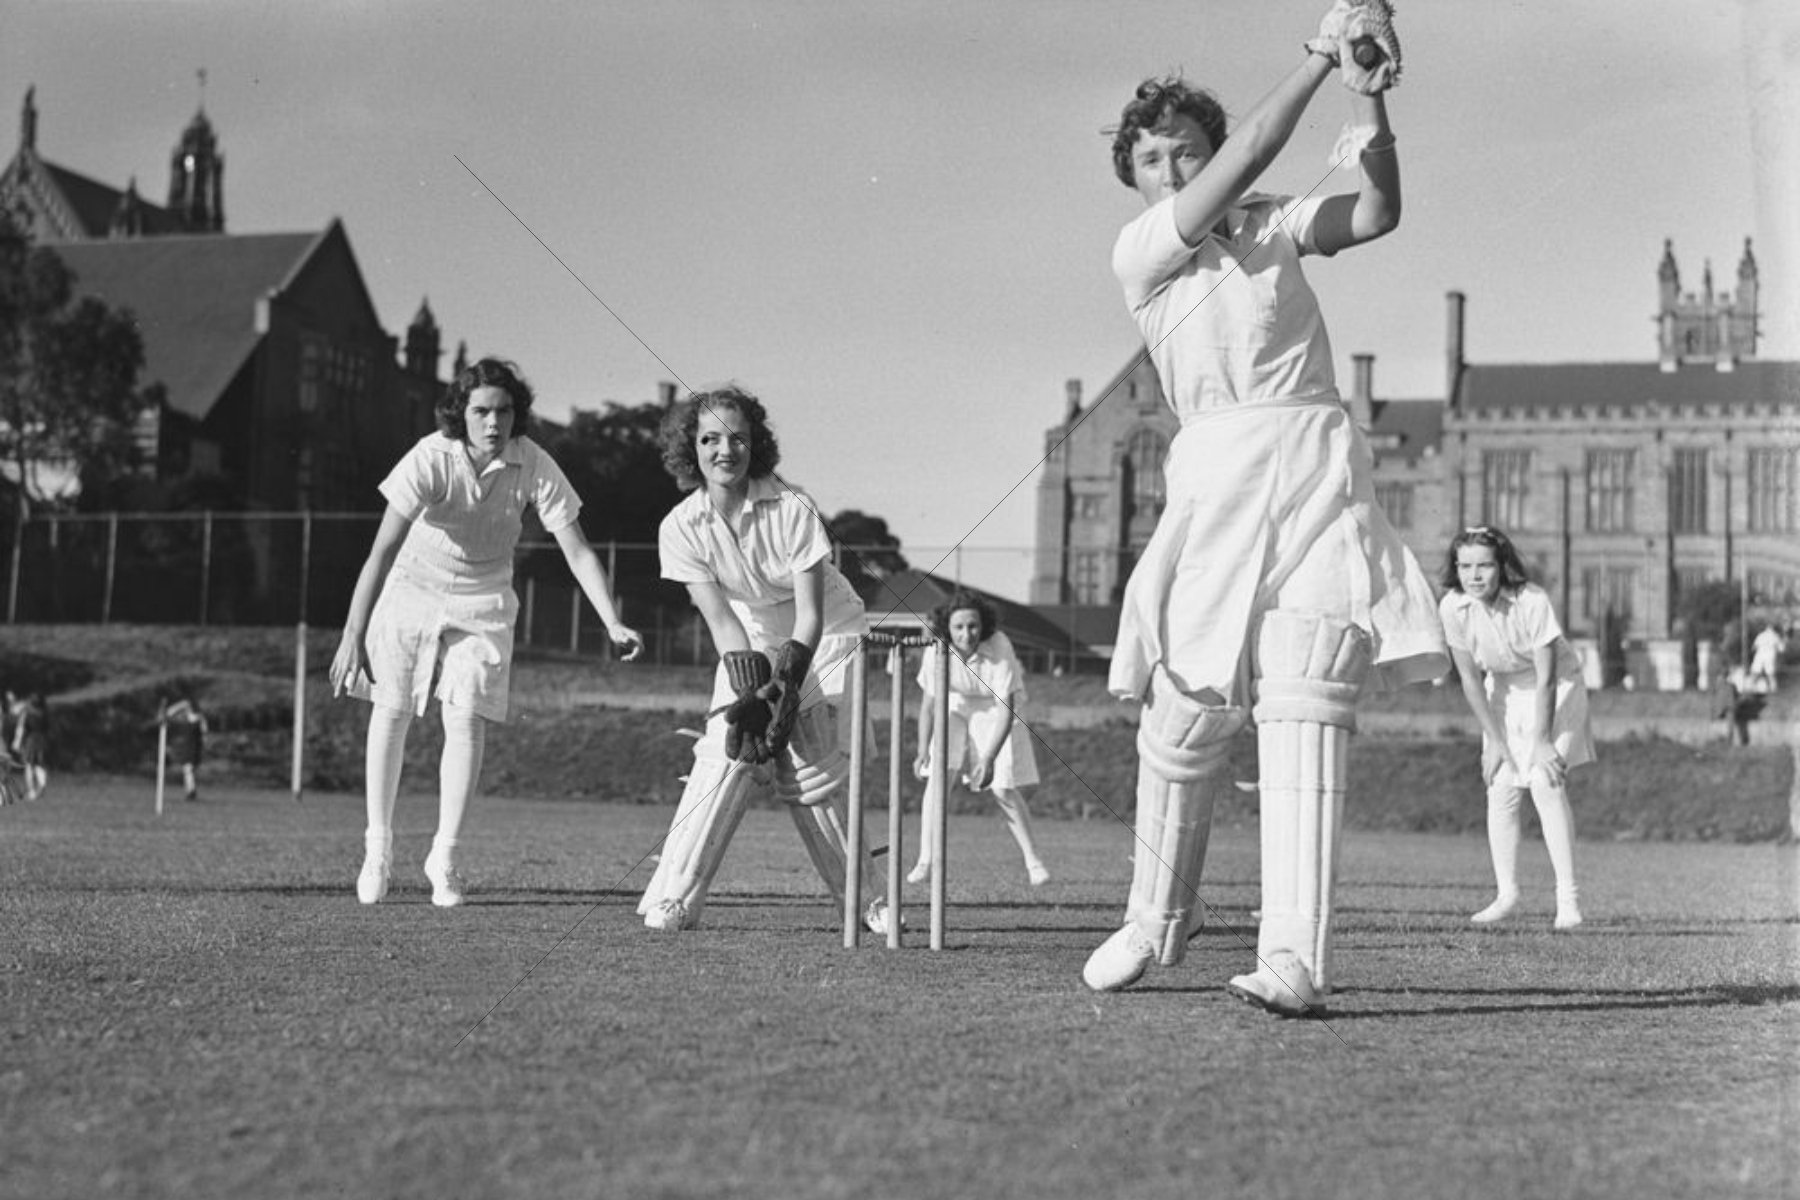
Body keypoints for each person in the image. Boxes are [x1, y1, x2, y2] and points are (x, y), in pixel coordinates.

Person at [1081, 7, 1448, 1018]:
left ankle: (1294, 959)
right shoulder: (1142, 252)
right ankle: (1158, 918)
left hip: (1316, 457)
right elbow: (1253, 145)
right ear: (1138, 177)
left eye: (1182, 150)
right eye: (1153, 158)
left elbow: (1375, 215)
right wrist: (1320, 55)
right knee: (1188, 709)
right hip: (1216, 473)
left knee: (1308, 684)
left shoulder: (1276, 225)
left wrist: (1368, 96)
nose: (1169, 168)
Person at [329, 357, 643, 907]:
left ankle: (443, 858)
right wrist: (353, 633)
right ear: (461, 413)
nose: (493, 423)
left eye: (504, 411)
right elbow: (380, 552)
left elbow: (576, 549)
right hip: (413, 584)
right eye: (481, 411)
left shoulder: (535, 463)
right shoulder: (430, 457)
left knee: (466, 712)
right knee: (392, 708)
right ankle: (377, 850)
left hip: (485, 593)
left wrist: (612, 620)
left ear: (516, 414)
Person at [636, 384, 892, 934]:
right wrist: (755, 689)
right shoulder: (679, 527)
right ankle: (675, 895)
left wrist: (788, 682)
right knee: (730, 752)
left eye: (737, 439)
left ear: (755, 446)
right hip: (749, 632)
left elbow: (810, 615)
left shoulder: (793, 507)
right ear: (691, 449)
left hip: (828, 629)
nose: (724, 451)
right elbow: (723, 622)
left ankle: (868, 901)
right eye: (710, 439)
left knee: (815, 769)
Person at [1438, 526, 1591, 931]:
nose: (1475, 576)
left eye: (1484, 566)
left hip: (1557, 688)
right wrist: (1492, 741)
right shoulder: (1452, 607)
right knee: (1500, 785)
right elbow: (1471, 680)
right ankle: (1507, 893)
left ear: (1501, 565)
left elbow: (1547, 678)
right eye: (1465, 566)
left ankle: (1568, 901)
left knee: (1545, 780)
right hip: (1502, 690)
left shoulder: (1532, 600)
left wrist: (1541, 740)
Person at [908, 590, 1050, 887]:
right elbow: (929, 706)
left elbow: (1005, 710)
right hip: (955, 704)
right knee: (938, 777)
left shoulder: (999, 646)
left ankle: (1033, 860)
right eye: (959, 627)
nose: (966, 634)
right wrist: (923, 749)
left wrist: (987, 759)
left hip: (994, 709)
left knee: (1002, 789)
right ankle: (926, 859)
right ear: (947, 627)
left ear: (983, 625)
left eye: (973, 626)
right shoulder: (936, 650)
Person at [160, 696, 209, 801]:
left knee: (188, 769)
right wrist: (181, 705)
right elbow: (168, 713)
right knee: (187, 769)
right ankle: (191, 791)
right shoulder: (184, 718)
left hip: (195, 747)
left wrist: (183, 704)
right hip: (187, 747)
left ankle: (191, 791)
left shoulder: (198, 718)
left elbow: (204, 732)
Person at [9, 690, 49, 801]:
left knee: (29, 766)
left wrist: (16, 741)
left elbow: (20, 726)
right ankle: (42, 784)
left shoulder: (27, 712)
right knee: (39, 765)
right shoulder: (44, 713)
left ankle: (31, 791)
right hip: (42, 741)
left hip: (30, 741)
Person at [1748, 623, 1786, 693]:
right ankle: (1773, 689)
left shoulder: (1761, 635)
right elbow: (1782, 649)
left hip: (1760, 655)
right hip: (1770, 656)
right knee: (1770, 674)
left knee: (1755, 672)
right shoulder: (1775, 636)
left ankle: (1750, 688)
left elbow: (1754, 647)